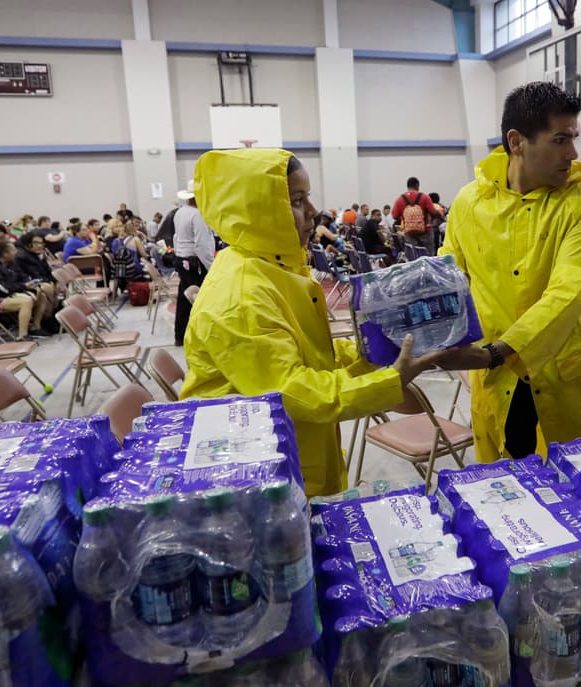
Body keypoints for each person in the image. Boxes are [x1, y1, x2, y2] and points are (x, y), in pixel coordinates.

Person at [181, 149, 447, 496]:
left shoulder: (272, 267)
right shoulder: (240, 297)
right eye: (296, 200)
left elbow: (307, 351)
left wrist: (371, 350)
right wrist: (390, 381)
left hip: (296, 452)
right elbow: (294, 393)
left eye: (307, 197)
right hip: (256, 482)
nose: (312, 211)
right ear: (258, 212)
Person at [433, 81, 581, 462]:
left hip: (570, 386)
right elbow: (449, 282)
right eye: (560, 140)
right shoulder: (468, 203)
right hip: (498, 388)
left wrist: (495, 353)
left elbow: (568, 291)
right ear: (516, 141)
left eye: (573, 138)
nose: (573, 153)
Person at [0, 241, 54, 339]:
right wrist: (24, 287)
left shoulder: (11, 263)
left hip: (8, 293)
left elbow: (21, 277)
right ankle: (23, 335)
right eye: (13, 250)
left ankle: (35, 328)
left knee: (41, 296)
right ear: (5, 254)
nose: (16, 252)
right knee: (26, 302)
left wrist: (31, 285)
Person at [172, 182, 218, 346]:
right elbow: (202, 245)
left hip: (181, 259)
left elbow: (176, 238)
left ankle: (181, 334)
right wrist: (212, 268)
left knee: (184, 300)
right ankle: (202, 337)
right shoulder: (198, 215)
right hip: (194, 262)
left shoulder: (180, 212)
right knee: (201, 300)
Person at [391, 176, 443, 255]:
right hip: (425, 232)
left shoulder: (400, 199)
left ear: (408, 186)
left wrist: (406, 216)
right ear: (417, 185)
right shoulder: (424, 197)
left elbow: (394, 215)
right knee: (428, 257)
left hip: (409, 234)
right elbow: (433, 212)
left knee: (414, 257)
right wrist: (440, 213)